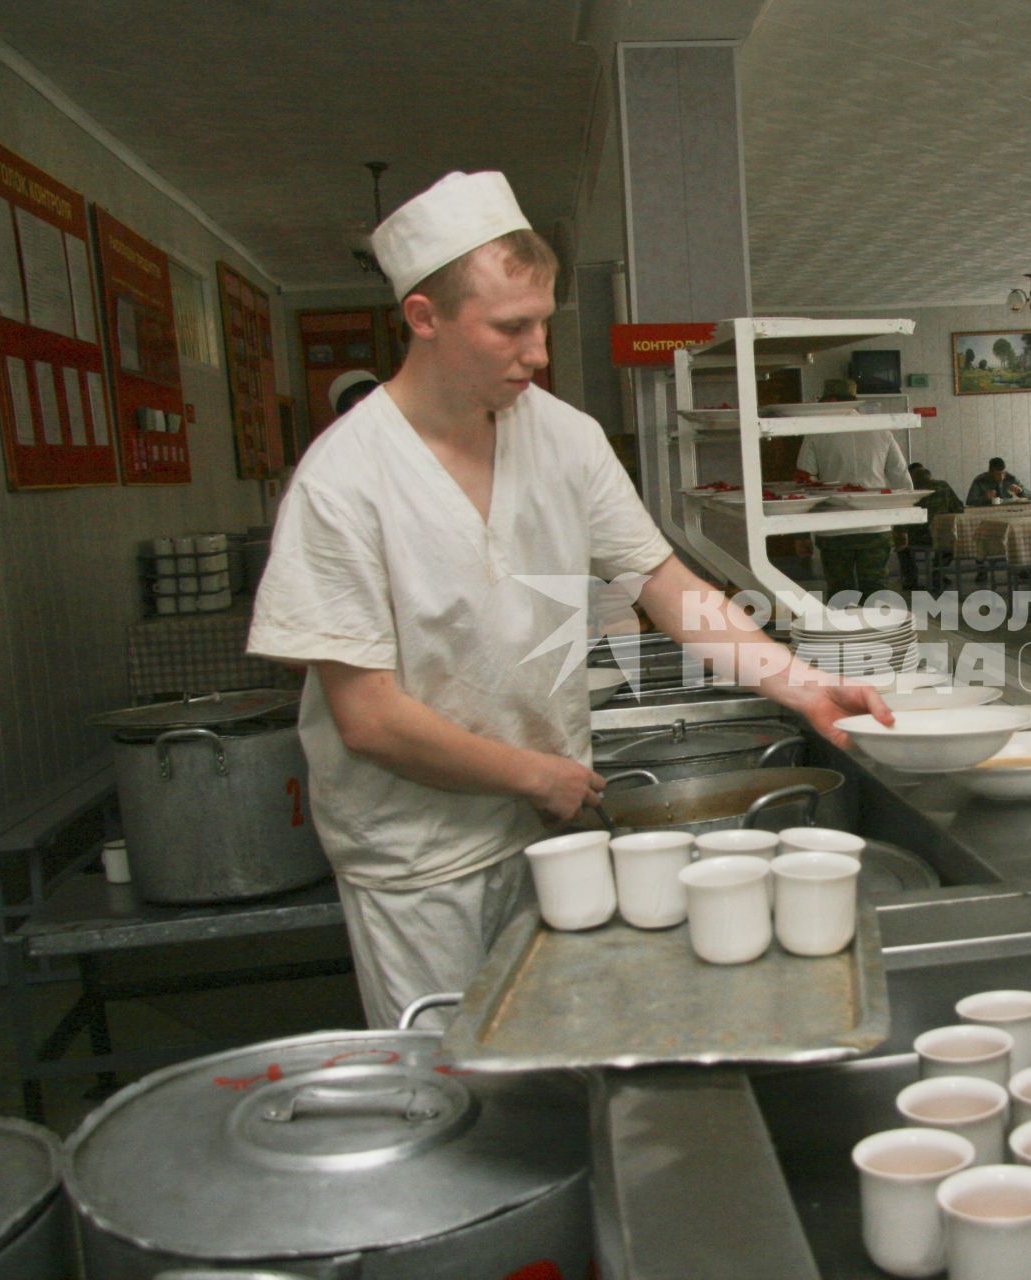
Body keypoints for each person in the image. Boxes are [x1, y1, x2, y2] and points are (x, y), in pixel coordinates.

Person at [248, 171, 889, 1029]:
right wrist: (529, 774)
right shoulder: (343, 482)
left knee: (559, 1040)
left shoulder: (563, 437)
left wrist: (799, 682)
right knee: (455, 1070)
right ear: (425, 318)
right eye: (511, 327)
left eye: (543, 321)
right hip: (416, 857)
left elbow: (664, 586)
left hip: (550, 829)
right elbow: (366, 717)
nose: (540, 352)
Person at [795, 427, 910, 600]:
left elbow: (803, 483)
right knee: (876, 589)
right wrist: (902, 526)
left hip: (833, 527)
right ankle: (874, 626)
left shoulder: (816, 432)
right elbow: (901, 479)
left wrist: (801, 533)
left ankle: (843, 625)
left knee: (840, 593)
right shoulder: (881, 432)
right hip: (876, 525)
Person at [900, 462, 964, 591]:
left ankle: (910, 580)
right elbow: (958, 508)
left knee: (902, 546)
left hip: (918, 538)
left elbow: (901, 517)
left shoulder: (909, 492)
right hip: (941, 535)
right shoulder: (943, 487)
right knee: (949, 540)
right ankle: (938, 574)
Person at [966, 457, 1031, 505]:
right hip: (987, 513)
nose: (1001, 477)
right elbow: (969, 502)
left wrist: (1021, 491)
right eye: (998, 474)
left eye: (1003, 473)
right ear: (990, 472)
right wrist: (984, 497)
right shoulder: (980, 481)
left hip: (1008, 512)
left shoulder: (1011, 478)